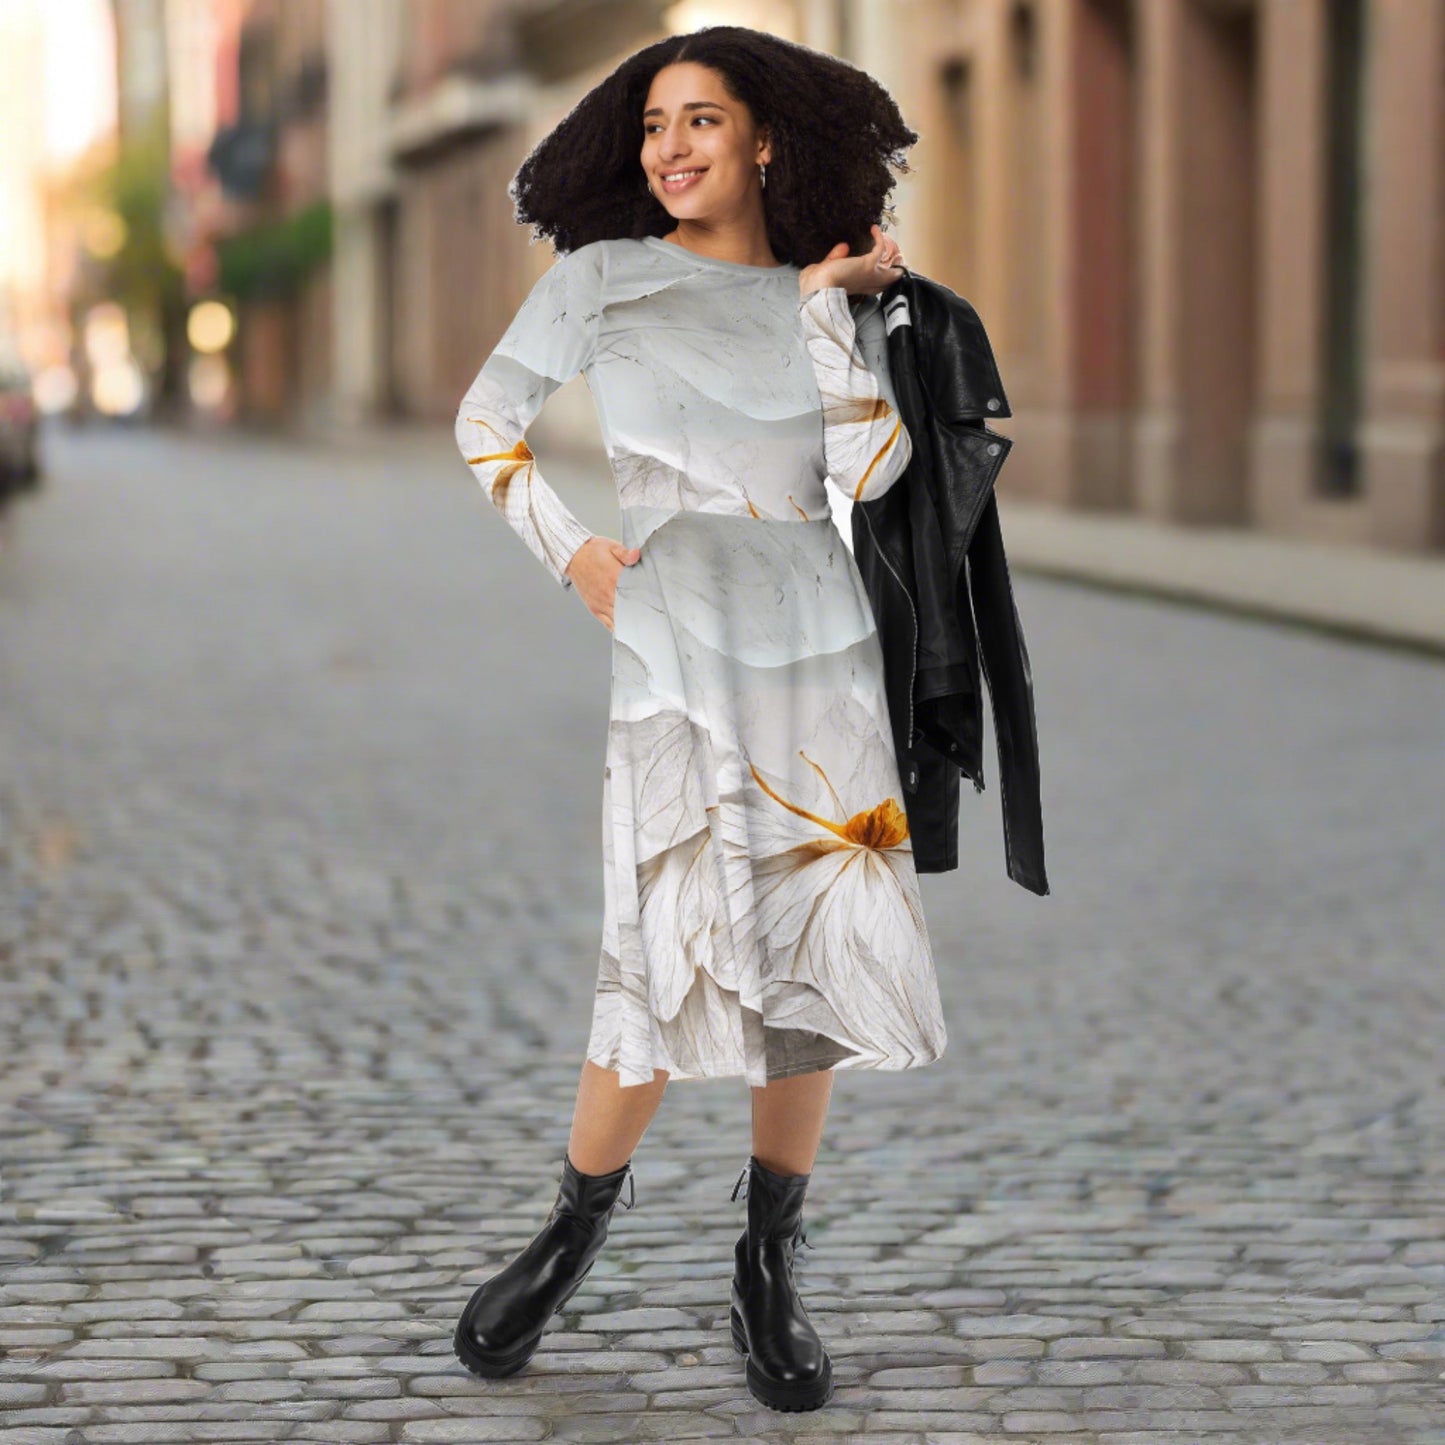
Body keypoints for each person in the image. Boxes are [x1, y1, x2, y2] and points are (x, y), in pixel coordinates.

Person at [450, 25, 944, 1413]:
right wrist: (572, 546)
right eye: (656, 124)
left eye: (702, 122)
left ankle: (766, 1263)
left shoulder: (819, 291)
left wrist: (822, 310)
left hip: (816, 637)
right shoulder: (601, 280)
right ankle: (569, 1229)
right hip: (674, 641)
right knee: (660, 945)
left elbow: (878, 460)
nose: (671, 147)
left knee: (807, 962)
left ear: (765, 139)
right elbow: (485, 421)